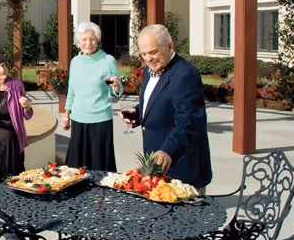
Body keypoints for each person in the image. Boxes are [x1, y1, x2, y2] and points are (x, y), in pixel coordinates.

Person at [120, 23, 212, 189]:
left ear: (170, 46)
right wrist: (137, 114)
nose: (148, 58)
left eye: (153, 52)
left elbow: (189, 122)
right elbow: (157, 102)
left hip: (181, 166)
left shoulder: (185, 74)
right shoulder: (148, 71)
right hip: (157, 168)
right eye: (144, 54)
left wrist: (168, 150)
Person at [61, 22, 122, 171]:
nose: (88, 43)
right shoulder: (75, 62)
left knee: (99, 165)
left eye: (92, 39)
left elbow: (116, 91)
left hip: (100, 119)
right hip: (78, 119)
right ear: (78, 42)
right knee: (76, 167)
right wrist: (66, 115)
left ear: (98, 41)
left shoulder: (107, 61)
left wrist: (115, 86)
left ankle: (101, 194)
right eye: (84, 39)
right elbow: (72, 91)